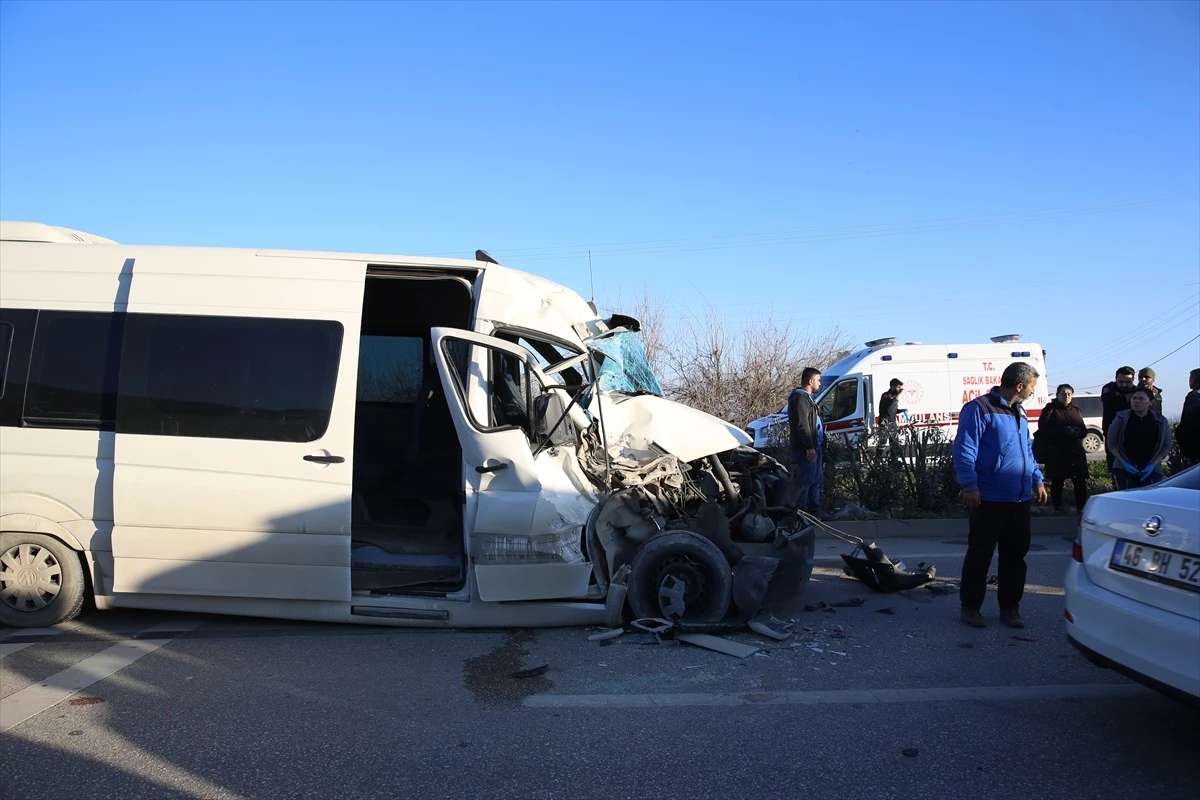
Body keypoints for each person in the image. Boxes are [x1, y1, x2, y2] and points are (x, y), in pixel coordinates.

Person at [952, 362, 1048, 630]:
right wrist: (969, 485)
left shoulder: (1019, 411)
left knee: (1015, 556)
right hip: (989, 498)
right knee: (980, 554)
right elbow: (964, 450)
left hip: (1019, 499)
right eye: (1032, 386)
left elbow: (1026, 451)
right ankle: (970, 607)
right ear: (1020, 385)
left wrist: (1037, 479)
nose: (1032, 392)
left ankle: (1010, 608)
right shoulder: (979, 409)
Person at [1107, 387, 1173, 490]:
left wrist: (1153, 464)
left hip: (1152, 470)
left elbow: (1167, 444)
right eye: (1134, 398)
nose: (1137, 401)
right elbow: (1111, 443)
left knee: (1149, 501)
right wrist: (1124, 462)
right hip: (1124, 469)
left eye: (1141, 398)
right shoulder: (1121, 417)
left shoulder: (1160, 420)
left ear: (1150, 402)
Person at [1037, 384, 1089, 512]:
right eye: (1063, 394)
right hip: (1057, 450)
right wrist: (1064, 431)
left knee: (1080, 481)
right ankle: (1058, 507)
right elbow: (1043, 428)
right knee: (1058, 481)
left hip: (1075, 450)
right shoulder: (1050, 409)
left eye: (1069, 394)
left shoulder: (1076, 410)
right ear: (1057, 395)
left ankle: (1081, 508)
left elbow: (1084, 430)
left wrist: (1078, 432)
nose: (1066, 397)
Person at [787, 367, 823, 516]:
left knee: (815, 481)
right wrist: (809, 447)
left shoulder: (807, 398)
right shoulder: (800, 398)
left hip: (815, 446)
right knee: (806, 482)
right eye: (818, 380)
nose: (820, 384)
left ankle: (815, 512)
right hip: (806, 449)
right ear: (810, 381)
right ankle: (801, 514)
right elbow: (803, 424)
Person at [1100, 366, 1136, 487]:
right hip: (1113, 435)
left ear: (1133, 380)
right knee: (1115, 467)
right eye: (1121, 382)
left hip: (1132, 435)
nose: (1124, 385)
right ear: (1116, 379)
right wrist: (1125, 399)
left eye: (1128, 382)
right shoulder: (1108, 388)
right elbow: (1109, 401)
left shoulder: (1137, 391)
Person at [1177, 368, 1200, 465]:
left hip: (1195, 449)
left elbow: (1192, 423)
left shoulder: (1195, 396)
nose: (1189, 380)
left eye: (1190, 378)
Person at [876, 378, 903, 460]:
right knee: (882, 443)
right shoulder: (886, 396)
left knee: (894, 444)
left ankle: (894, 462)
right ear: (892, 387)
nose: (899, 389)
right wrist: (898, 396)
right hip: (885, 423)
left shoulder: (894, 396)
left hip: (893, 423)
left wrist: (900, 411)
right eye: (898, 387)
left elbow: (892, 410)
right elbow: (890, 407)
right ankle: (878, 461)